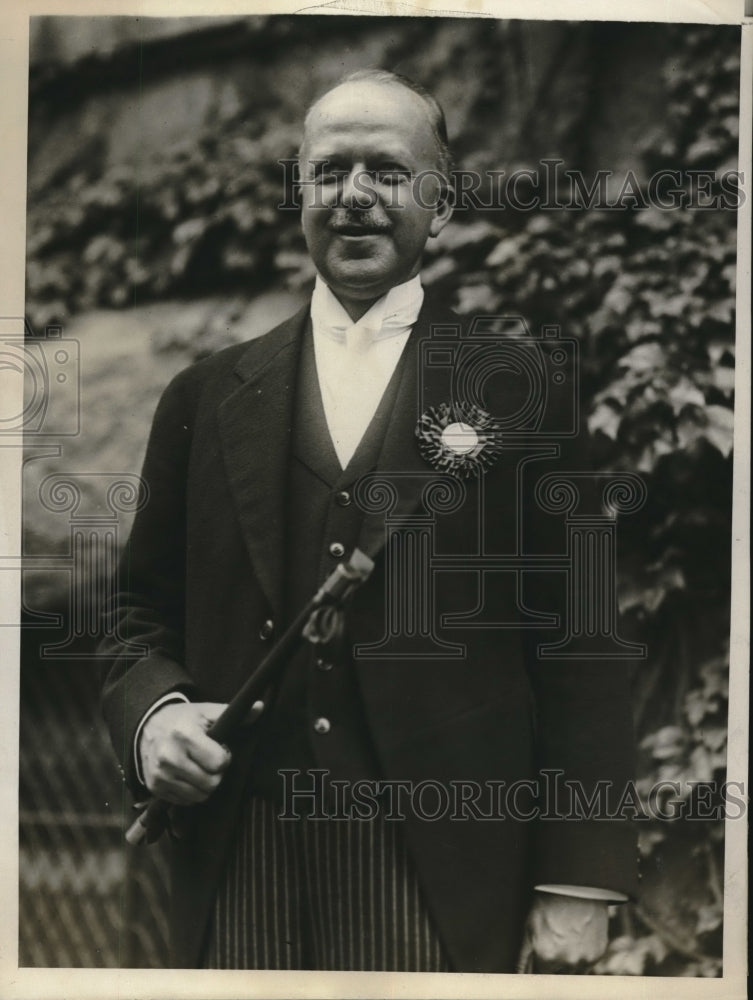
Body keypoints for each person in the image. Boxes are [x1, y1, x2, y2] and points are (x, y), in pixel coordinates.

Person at [101, 69, 638, 972]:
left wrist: (577, 879)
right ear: (300, 191)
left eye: (387, 172)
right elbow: (136, 618)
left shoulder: (520, 390)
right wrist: (155, 719)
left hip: (437, 871)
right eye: (328, 171)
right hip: (240, 860)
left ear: (442, 203)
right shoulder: (204, 394)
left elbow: (581, 647)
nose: (353, 197)